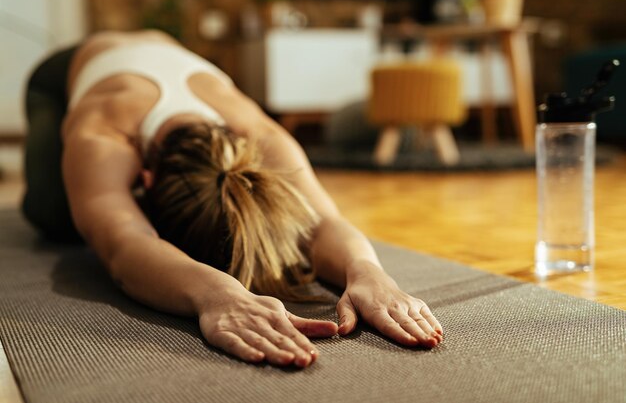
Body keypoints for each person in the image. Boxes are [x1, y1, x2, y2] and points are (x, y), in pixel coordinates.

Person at [22, 30, 443, 368]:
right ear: (144, 182)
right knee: (56, 216)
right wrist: (214, 293)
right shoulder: (101, 134)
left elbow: (319, 220)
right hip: (61, 74)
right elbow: (124, 245)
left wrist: (366, 271)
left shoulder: (261, 134)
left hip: (162, 49)